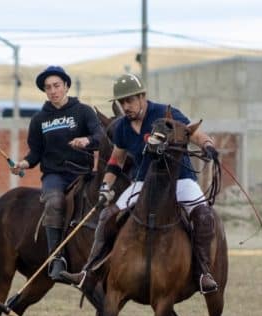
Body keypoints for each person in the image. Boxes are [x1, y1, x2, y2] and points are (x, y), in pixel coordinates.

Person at [59, 73, 221, 293]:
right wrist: (105, 187)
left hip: (180, 179)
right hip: (144, 182)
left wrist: (208, 145)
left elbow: (195, 134)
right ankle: (90, 271)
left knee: (204, 215)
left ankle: (203, 273)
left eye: (130, 100)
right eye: (122, 102)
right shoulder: (122, 127)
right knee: (107, 216)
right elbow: (116, 160)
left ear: (142, 96)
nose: (126, 106)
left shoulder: (165, 113)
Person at [10, 65, 105, 282]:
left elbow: (100, 136)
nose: (53, 91)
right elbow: (35, 153)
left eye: (56, 86)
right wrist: (23, 163)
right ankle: (56, 258)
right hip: (55, 176)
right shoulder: (39, 119)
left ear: (66, 86)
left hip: (83, 173)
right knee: (54, 202)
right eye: (48, 87)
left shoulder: (83, 111)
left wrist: (87, 140)